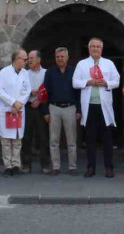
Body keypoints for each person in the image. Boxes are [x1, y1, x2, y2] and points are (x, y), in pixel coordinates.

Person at [72, 37, 120, 178]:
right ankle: (91, 167)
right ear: (89, 48)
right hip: (89, 106)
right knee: (90, 139)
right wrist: (88, 82)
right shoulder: (82, 64)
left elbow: (116, 81)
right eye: (92, 46)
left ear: (102, 49)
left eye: (98, 46)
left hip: (104, 106)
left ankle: (108, 167)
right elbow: (75, 82)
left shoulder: (109, 63)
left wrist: (106, 83)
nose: (95, 49)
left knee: (107, 139)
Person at [0, 48, 31, 176]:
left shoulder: (25, 73)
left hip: (19, 109)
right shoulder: (4, 72)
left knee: (17, 140)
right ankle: (8, 166)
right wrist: (13, 102)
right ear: (16, 59)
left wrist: (19, 103)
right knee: (5, 141)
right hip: (7, 109)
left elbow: (27, 90)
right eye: (24, 59)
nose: (26, 61)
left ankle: (16, 165)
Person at [43, 47, 79, 176]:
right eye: (57, 56)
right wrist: (45, 111)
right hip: (54, 108)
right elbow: (45, 93)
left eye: (62, 56)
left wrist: (78, 110)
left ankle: (72, 167)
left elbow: (78, 92)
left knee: (71, 140)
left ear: (67, 57)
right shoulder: (50, 73)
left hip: (70, 107)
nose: (60, 58)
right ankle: (56, 166)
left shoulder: (74, 72)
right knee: (54, 140)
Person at [20, 50, 51, 174]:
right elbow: (20, 90)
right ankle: (26, 164)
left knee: (43, 137)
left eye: (32, 58)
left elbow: (49, 89)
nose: (29, 60)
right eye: (28, 58)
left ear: (39, 59)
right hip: (27, 106)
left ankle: (45, 164)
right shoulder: (24, 74)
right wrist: (29, 94)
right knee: (26, 137)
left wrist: (39, 99)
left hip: (41, 107)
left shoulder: (46, 73)